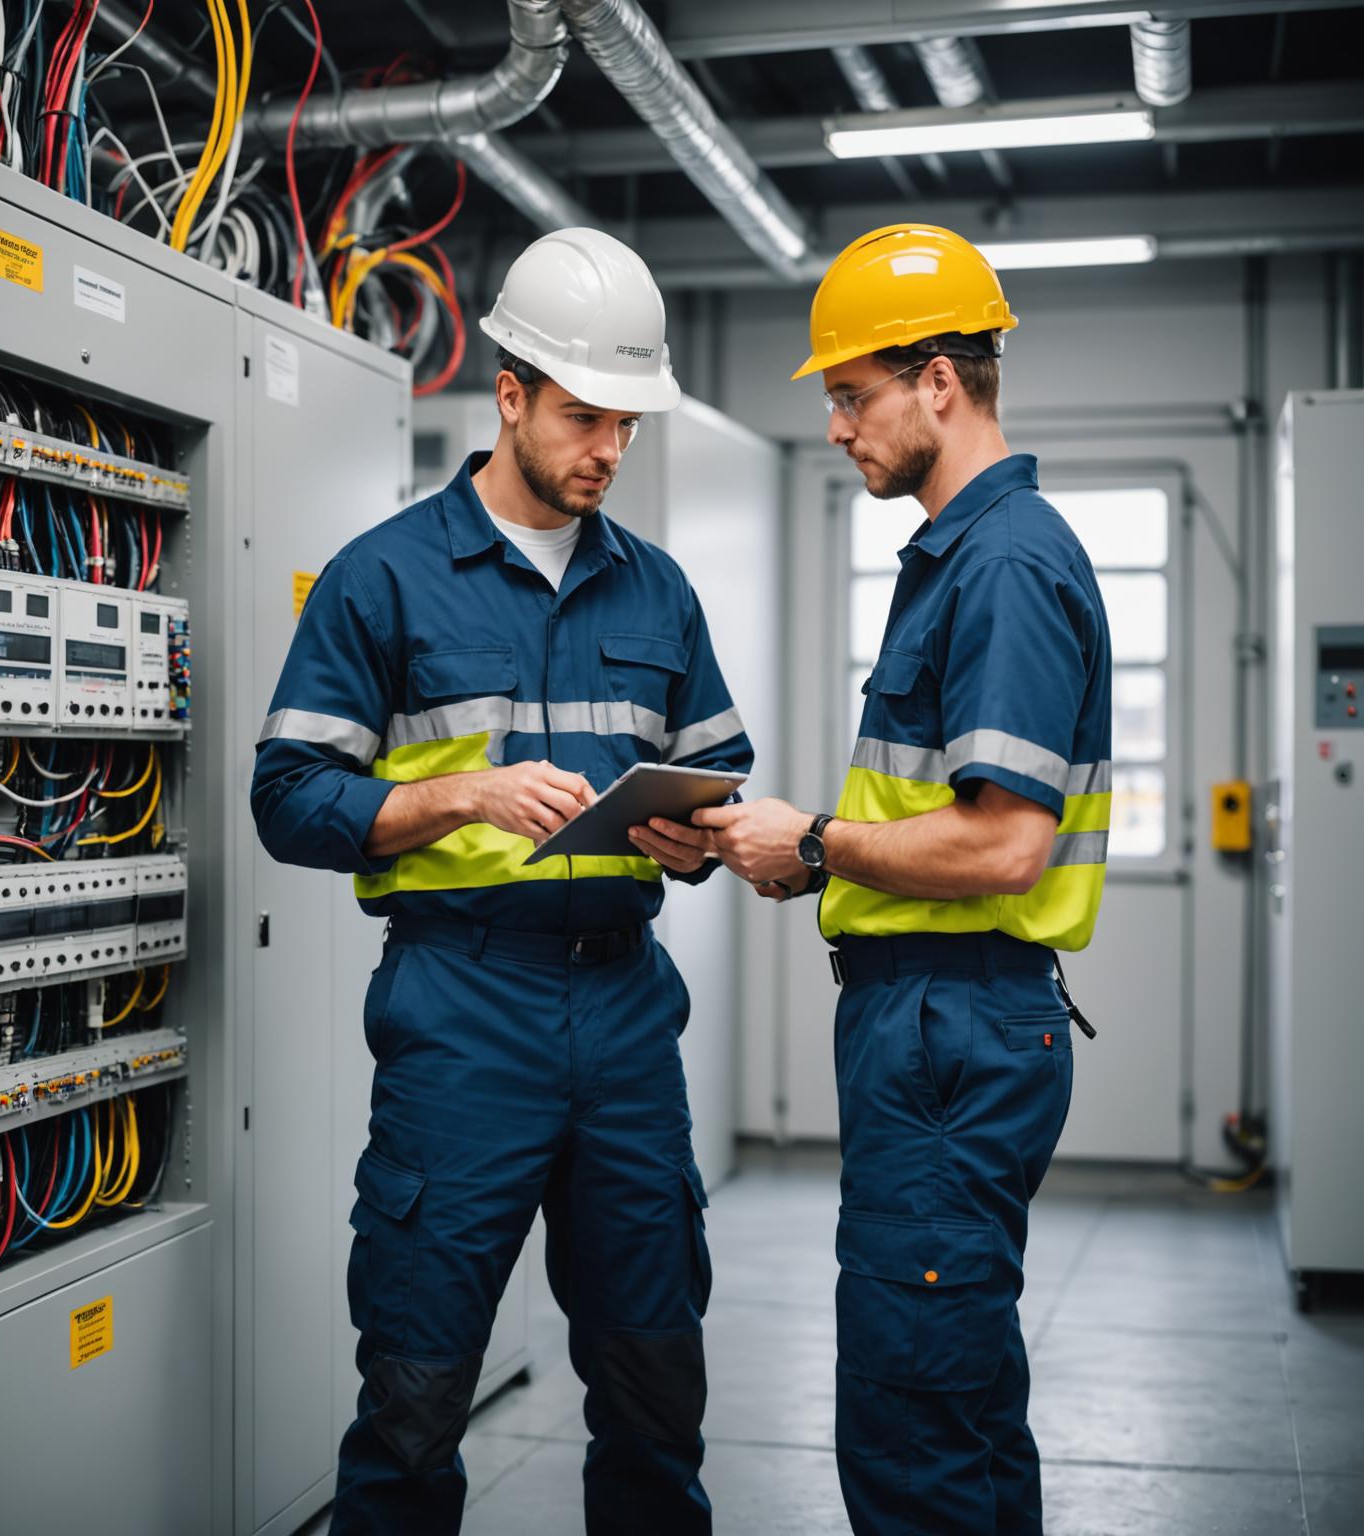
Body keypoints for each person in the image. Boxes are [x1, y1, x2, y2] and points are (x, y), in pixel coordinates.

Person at [251, 226, 750, 1536]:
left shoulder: (662, 595)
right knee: (415, 1401)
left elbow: (719, 782)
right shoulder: (383, 580)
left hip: (628, 1020)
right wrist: (455, 793)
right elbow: (286, 801)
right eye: (586, 417)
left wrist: (694, 838)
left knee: (655, 1391)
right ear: (511, 394)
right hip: (461, 1019)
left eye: (628, 427)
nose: (608, 451)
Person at [651, 223, 1113, 1535]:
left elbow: (1004, 843)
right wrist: (802, 860)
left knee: (922, 1415)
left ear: (942, 386)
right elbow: (941, 825)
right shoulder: (961, 559)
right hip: (931, 1012)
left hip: (956, 1022)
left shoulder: (1009, 562)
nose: (840, 426)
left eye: (852, 396)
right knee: (937, 1391)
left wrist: (815, 841)